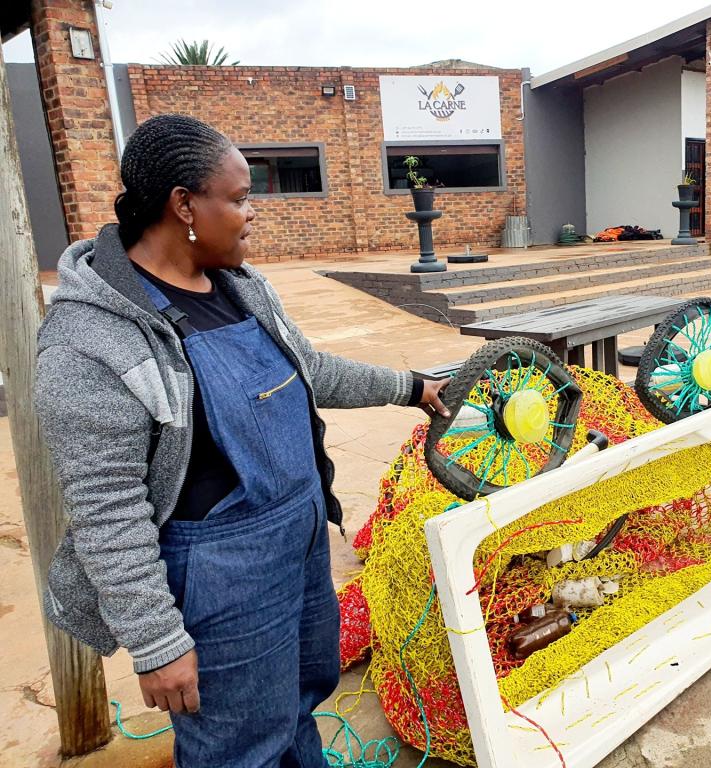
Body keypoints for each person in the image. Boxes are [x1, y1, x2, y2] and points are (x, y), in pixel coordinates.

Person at [34, 114, 450, 766]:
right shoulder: (91, 337)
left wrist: (410, 387)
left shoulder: (239, 287)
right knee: (236, 745)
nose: (251, 213)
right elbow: (105, 509)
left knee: (297, 704)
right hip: (219, 579)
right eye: (238, 198)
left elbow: (309, 370)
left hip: (299, 545)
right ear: (183, 206)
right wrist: (157, 642)